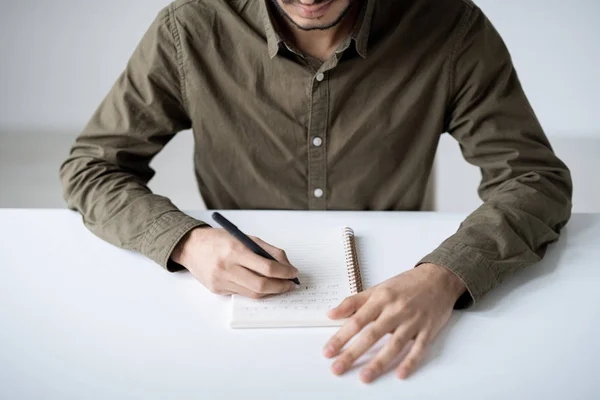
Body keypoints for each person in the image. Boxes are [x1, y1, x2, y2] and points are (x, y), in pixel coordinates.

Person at [59, 0, 572, 384]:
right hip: (225, 325)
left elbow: (533, 179)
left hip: (399, 288)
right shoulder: (189, 27)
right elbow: (92, 168)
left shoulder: (448, 27)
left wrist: (445, 276)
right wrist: (187, 241)